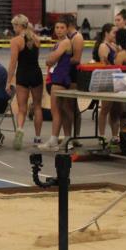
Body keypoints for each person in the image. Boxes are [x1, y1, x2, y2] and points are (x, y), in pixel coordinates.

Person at [39, 16, 83, 151]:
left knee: (56, 111)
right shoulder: (59, 42)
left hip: (60, 79)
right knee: (64, 110)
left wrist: (50, 58)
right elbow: (51, 59)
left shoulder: (64, 42)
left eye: (62, 27)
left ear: (67, 29)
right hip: (60, 77)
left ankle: (54, 140)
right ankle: (67, 138)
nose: (59, 30)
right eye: (57, 27)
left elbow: (51, 60)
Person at [7, 14, 44, 149]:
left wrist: (8, 81)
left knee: (22, 108)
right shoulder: (36, 39)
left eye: (14, 26)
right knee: (37, 106)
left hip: (23, 74)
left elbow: (13, 63)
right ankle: (38, 137)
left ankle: (20, 130)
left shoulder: (16, 41)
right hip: (36, 74)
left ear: (18, 26)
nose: (13, 28)